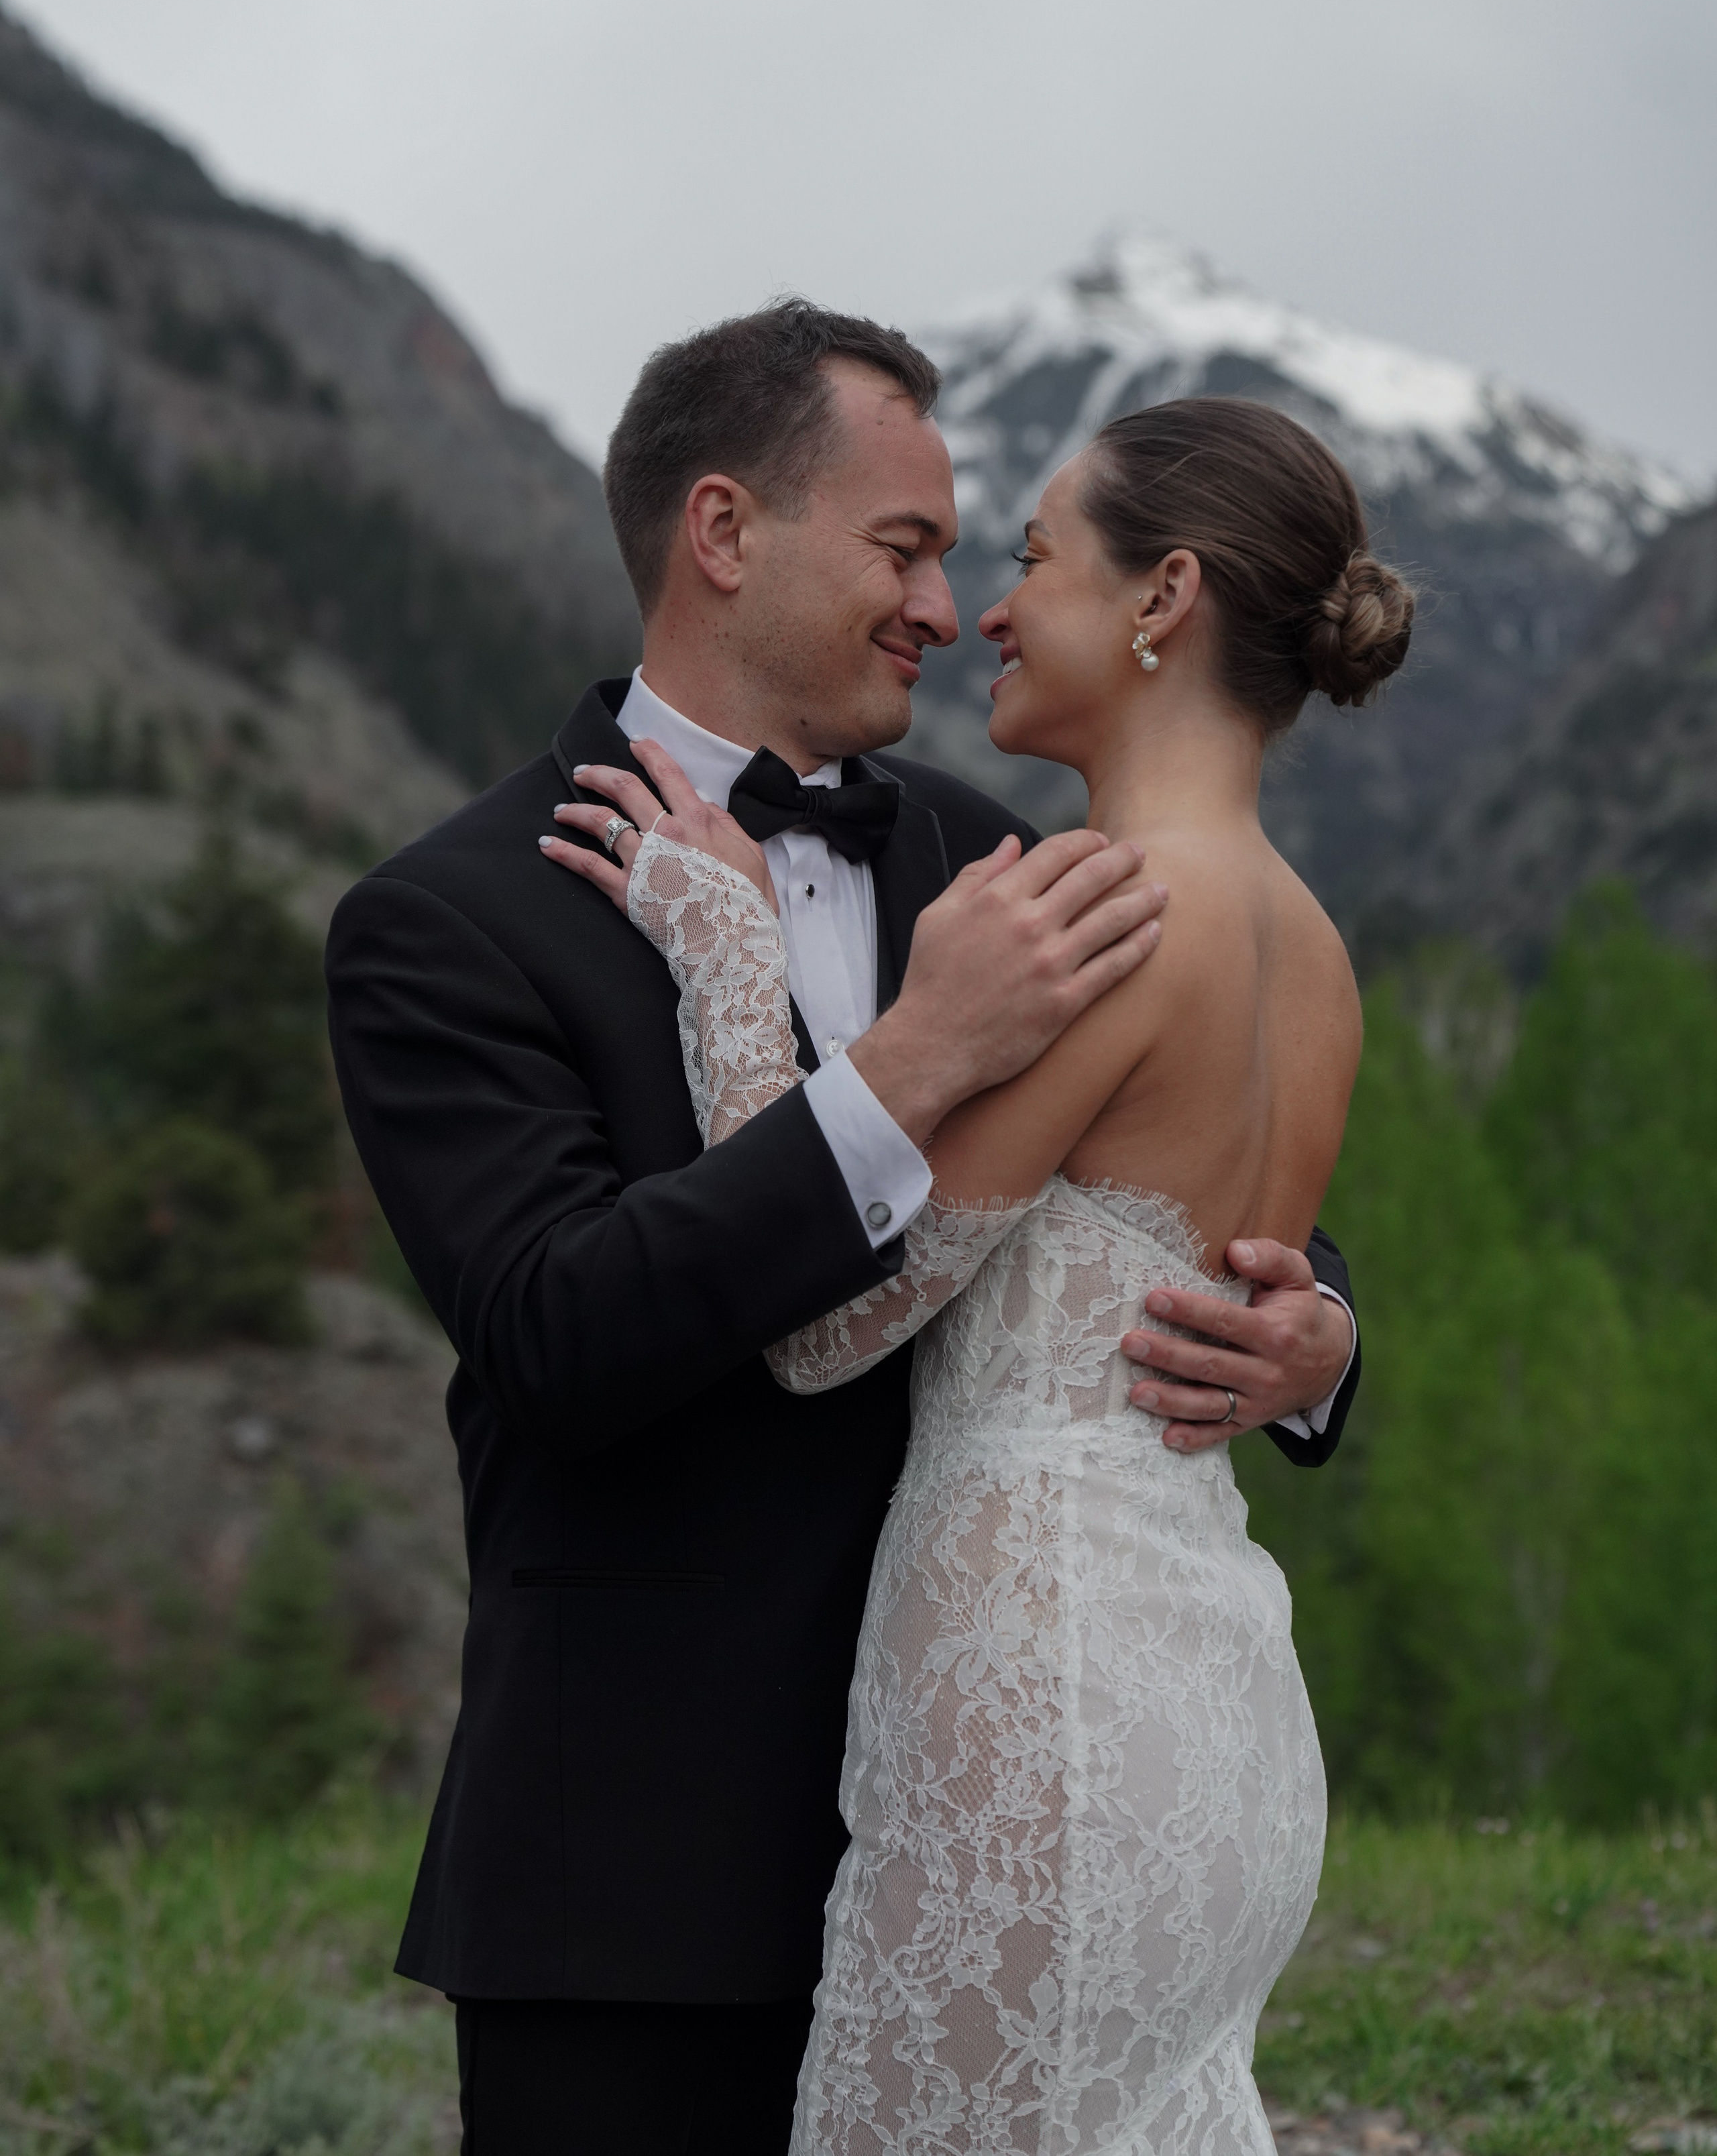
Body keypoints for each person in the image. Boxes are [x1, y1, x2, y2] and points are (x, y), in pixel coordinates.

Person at [325, 307, 1365, 2155]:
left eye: (974, 554)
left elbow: (1160, 1180)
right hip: (640, 1884)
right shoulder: (449, 921)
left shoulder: (993, 856)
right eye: (904, 547)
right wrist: (908, 1060)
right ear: (726, 533)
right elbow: (562, 1331)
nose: (944, 603)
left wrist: (1316, 1341)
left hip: (1011, 1771)